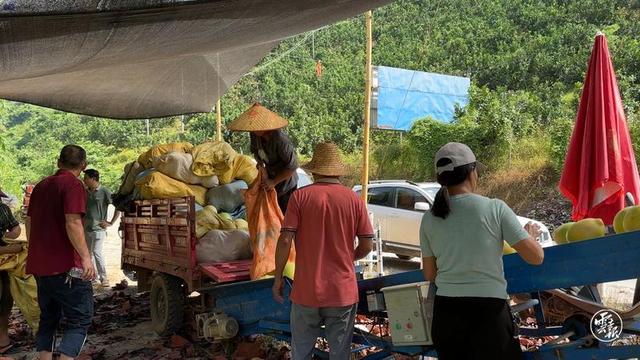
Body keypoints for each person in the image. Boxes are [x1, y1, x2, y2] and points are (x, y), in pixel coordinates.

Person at [420, 142, 544, 360]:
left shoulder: (429, 218)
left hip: (447, 314)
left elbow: (429, 274)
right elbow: (536, 257)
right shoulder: (494, 208)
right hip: (489, 314)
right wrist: (531, 237)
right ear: (471, 171)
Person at [272, 142, 374, 360]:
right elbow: (367, 245)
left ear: (314, 170)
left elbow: (284, 241)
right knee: (339, 354)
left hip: (306, 291)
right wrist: (348, 257)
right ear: (337, 171)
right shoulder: (353, 200)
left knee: (301, 352)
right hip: (342, 292)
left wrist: (278, 277)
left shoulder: (300, 197)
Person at [26, 145, 96, 360]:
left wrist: (36, 249)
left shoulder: (40, 186)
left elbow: (29, 221)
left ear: (58, 162)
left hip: (41, 266)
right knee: (80, 319)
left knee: (48, 318)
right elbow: (73, 221)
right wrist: (86, 258)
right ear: (83, 166)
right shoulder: (73, 185)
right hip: (66, 267)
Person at [228, 103, 299, 214]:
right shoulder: (255, 135)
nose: (254, 130)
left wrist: (274, 182)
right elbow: (256, 151)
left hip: (286, 185)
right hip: (270, 179)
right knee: (271, 215)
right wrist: (261, 167)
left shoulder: (281, 141)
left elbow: (292, 167)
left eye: (257, 127)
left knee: (285, 216)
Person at [83, 169, 120, 288]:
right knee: (88, 254)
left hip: (98, 229)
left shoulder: (104, 191)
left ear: (93, 179)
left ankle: (104, 278)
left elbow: (118, 206)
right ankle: (93, 278)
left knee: (96, 252)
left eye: (86, 178)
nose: (84, 180)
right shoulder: (85, 192)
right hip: (86, 228)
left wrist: (111, 222)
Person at [0, 202, 24, 354]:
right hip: (5, 254)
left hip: (4, 264)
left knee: (5, 302)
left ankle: (3, 340)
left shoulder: (2, 208)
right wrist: (8, 249)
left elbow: (16, 228)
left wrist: (9, 235)